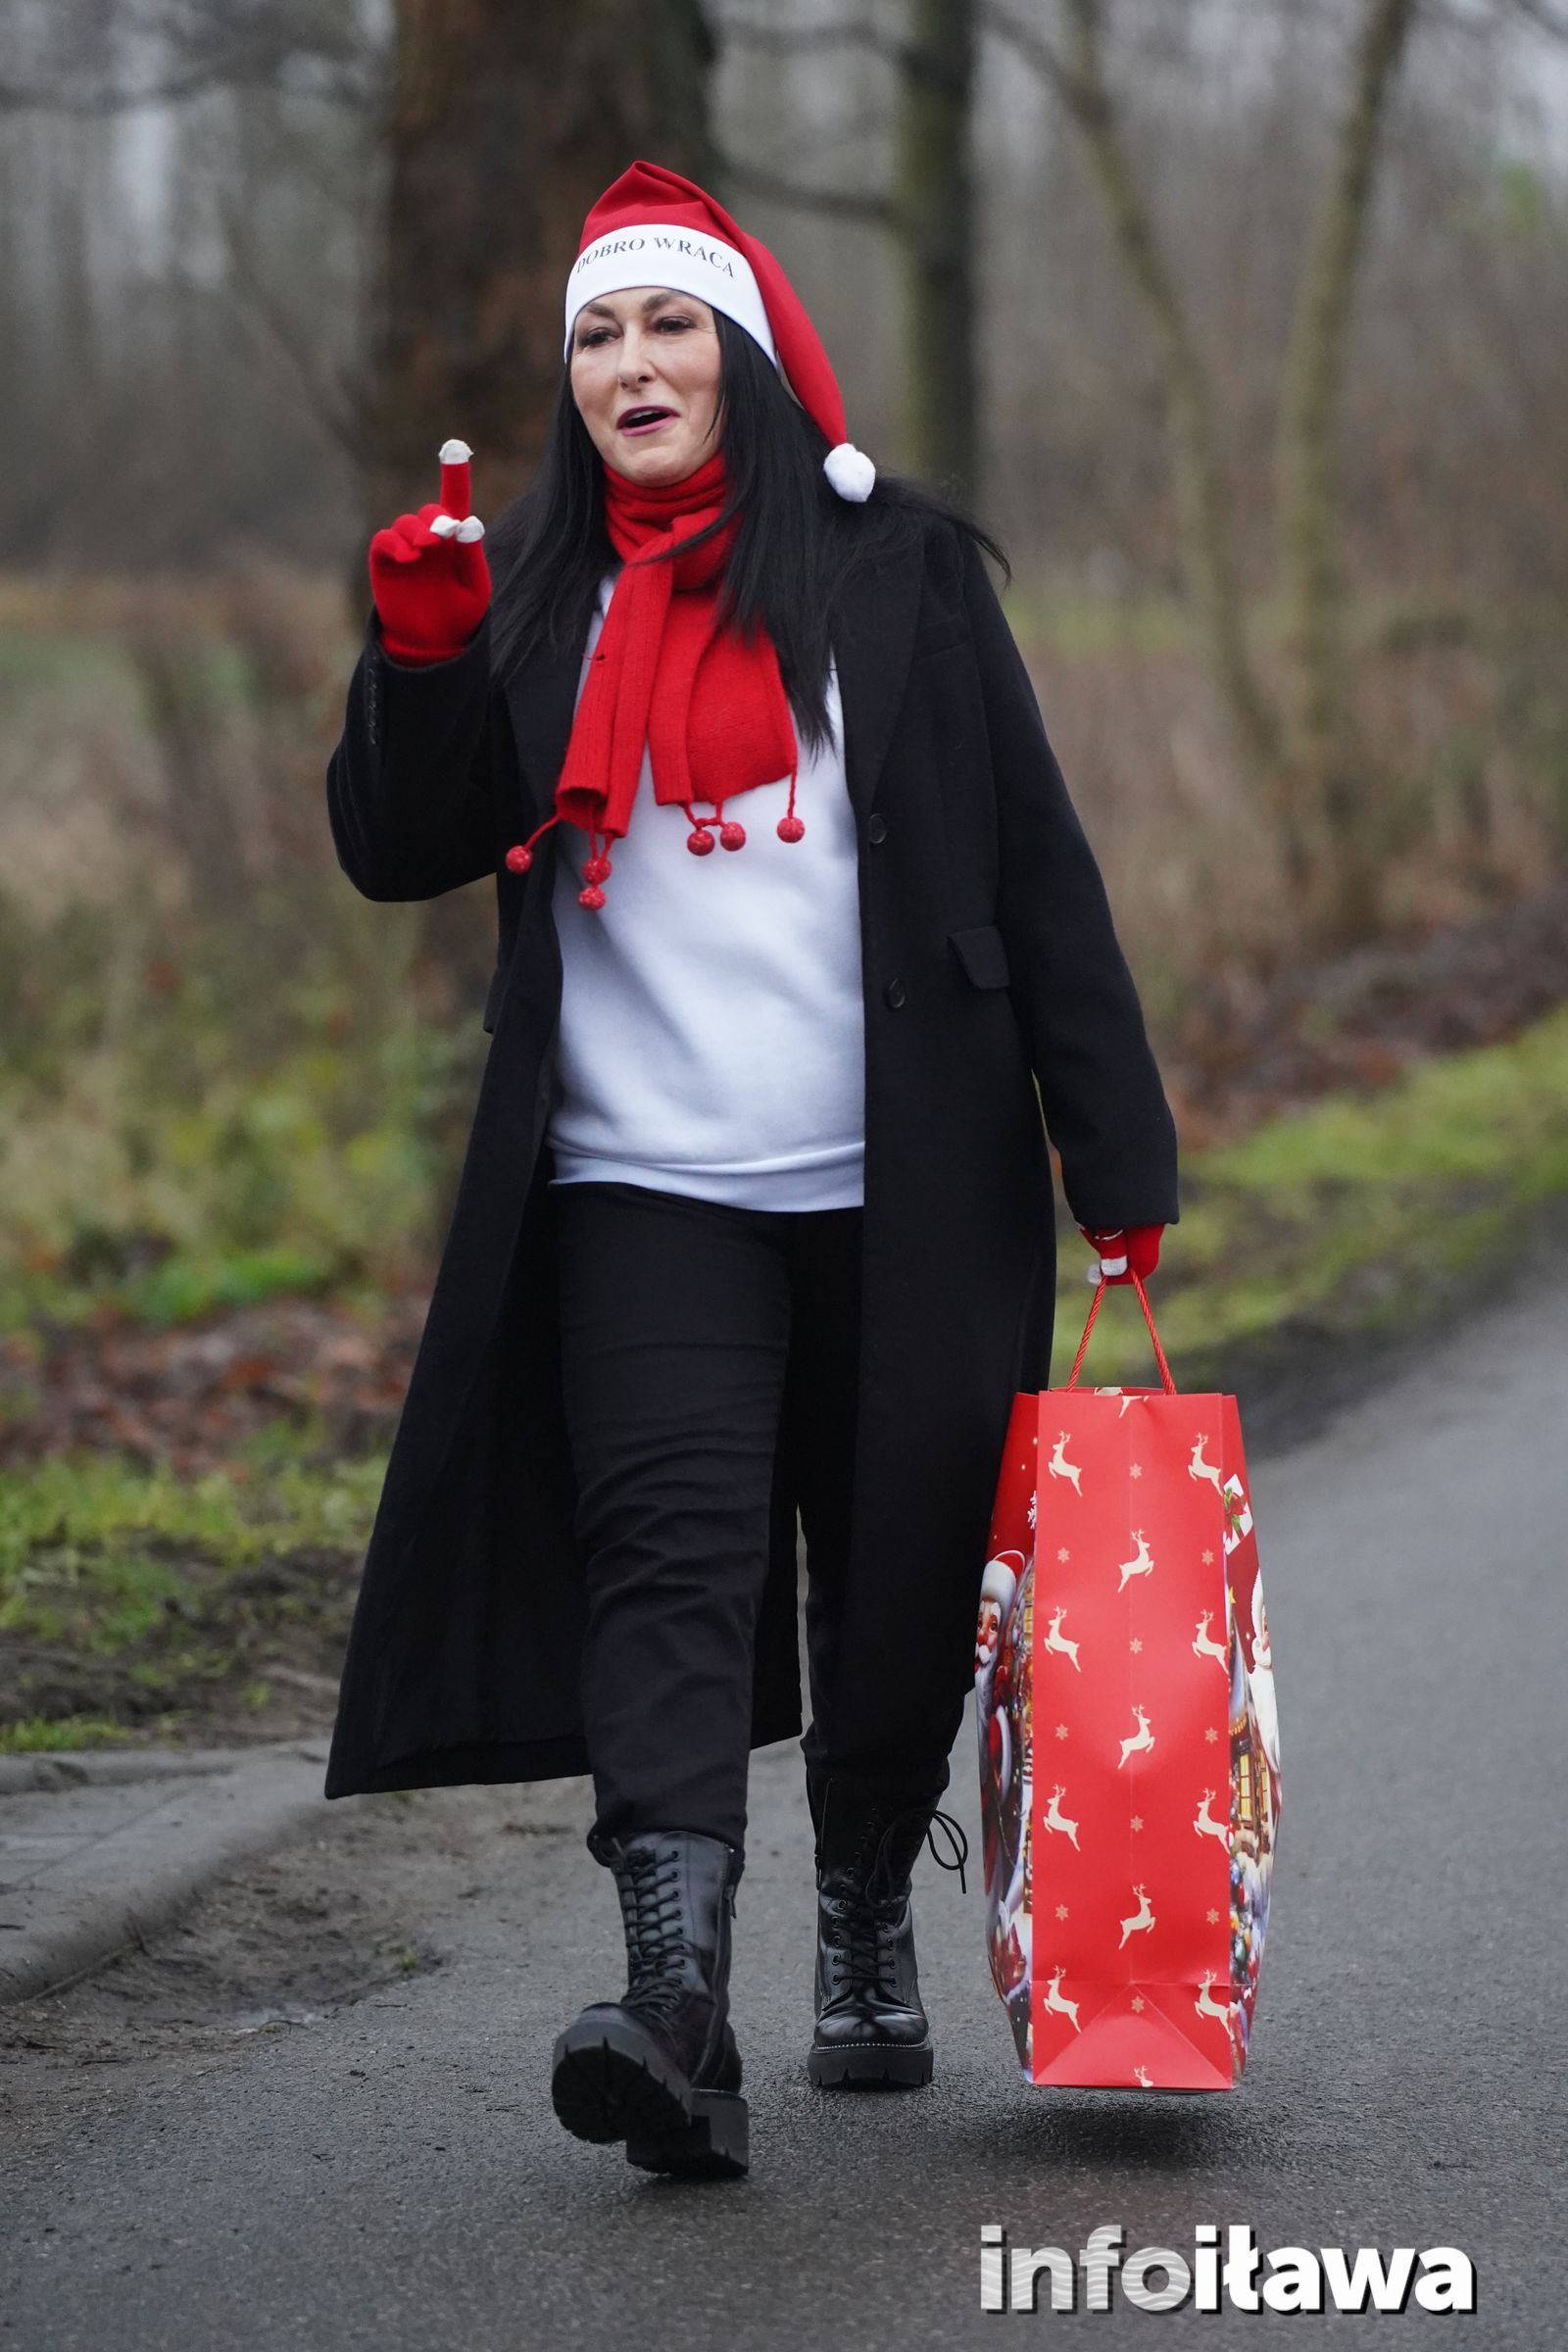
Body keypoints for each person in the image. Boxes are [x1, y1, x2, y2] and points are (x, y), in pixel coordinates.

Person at [323, 159, 1179, 2183]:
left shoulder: (900, 574)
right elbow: (397, 844)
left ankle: (863, 1899)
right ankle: (674, 2001)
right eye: (595, 335)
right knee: (666, 1572)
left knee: (896, 1586)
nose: (630, 363)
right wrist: (423, 656)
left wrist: (1115, 1150)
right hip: (641, 1192)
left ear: (744, 356)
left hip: (909, 1186)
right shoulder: (533, 591)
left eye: (666, 324)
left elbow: (1036, 863)